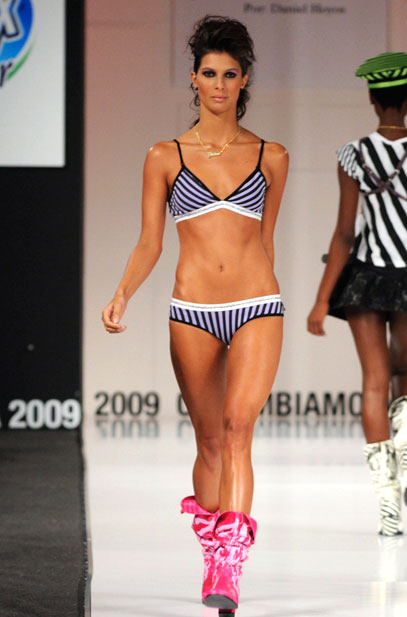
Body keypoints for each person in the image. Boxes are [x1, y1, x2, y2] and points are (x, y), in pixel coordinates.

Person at [100, 16, 289, 612]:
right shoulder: (165, 155)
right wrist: (123, 293)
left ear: (244, 80)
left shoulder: (271, 155)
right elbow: (149, 241)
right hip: (192, 311)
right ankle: (212, 551)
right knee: (209, 442)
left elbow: (265, 241)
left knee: (237, 430)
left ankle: (230, 564)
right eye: (209, 73)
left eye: (230, 74)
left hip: (257, 305)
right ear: (193, 78)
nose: (219, 84)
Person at [307, 52, 407, 537]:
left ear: (373, 100)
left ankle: (389, 509)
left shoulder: (352, 155)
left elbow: (344, 234)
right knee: (405, 371)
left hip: (366, 279)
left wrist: (321, 298)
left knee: (374, 384)